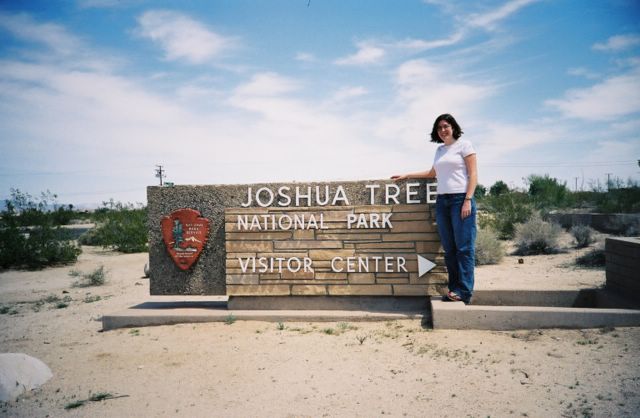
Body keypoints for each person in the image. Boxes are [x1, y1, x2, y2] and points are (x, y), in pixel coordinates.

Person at [392, 113, 477, 304]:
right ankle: (454, 288)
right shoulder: (440, 150)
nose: (443, 130)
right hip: (442, 201)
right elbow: (433, 173)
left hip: (460, 199)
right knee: (450, 249)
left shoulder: (465, 145)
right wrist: (407, 175)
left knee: (464, 248)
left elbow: (473, 174)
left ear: (453, 127)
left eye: (446, 126)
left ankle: (465, 291)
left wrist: (468, 199)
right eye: (439, 128)